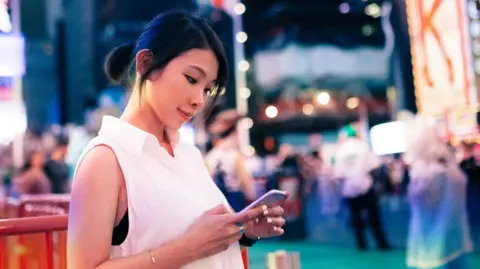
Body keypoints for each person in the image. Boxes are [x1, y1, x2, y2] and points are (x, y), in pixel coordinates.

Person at [67, 11, 286, 269]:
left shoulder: (188, 154)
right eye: (191, 79)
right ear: (146, 63)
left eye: (207, 88)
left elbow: (204, 247)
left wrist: (244, 232)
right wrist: (187, 248)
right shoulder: (105, 159)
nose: (199, 100)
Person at [400, 113, 473, 269]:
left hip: (436, 232)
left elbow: (417, 197)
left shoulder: (426, 169)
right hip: (448, 230)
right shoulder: (443, 165)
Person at [333, 124, 390, 250]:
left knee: (356, 218)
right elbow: (373, 167)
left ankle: (361, 244)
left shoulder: (340, 151)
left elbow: (338, 175)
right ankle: (382, 243)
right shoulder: (362, 146)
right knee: (374, 218)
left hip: (349, 189)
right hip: (366, 186)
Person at [205, 109, 257, 212]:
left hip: (215, 203)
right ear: (234, 132)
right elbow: (247, 186)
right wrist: (254, 200)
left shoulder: (211, 155)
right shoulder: (235, 155)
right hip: (234, 201)